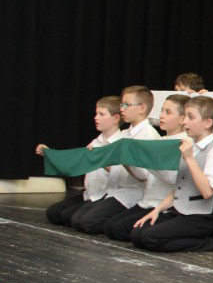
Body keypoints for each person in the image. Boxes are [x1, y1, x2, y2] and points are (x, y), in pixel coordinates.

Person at [130, 96, 213, 252]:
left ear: (207, 122)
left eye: (191, 117)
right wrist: (157, 210)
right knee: (136, 234)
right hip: (180, 211)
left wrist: (189, 159)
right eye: (184, 117)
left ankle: (211, 241)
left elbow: (207, 192)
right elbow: (179, 188)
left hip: (202, 217)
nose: (184, 122)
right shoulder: (191, 147)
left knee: (150, 238)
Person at [71, 86, 160, 234]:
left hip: (132, 193)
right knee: (77, 220)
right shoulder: (124, 134)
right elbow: (116, 169)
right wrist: (99, 159)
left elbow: (146, 175)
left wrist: (125, 160)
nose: (122, 108)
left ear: (142, 108)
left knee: (90, 223)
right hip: (114, 191)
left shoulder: (149, 136)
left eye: (126, 105)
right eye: (122, 105)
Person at [103, 94, 189, 241]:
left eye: (168, 112)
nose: (161, 115)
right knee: (110, 227)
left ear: (182, 119)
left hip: (164, 205)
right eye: (161, 111)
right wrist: (126, 159)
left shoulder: (184, 143)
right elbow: (144, 176)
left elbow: (172, 179)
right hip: (147, 201)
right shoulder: (161, 140)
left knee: (122, 230)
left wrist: (147, 160)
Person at [38, 96, 123, 227]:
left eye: (101, 114)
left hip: (105, 195)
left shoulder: (120, 143)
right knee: (54, 213)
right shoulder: (96, 142)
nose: (96, 118)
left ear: (116, 118)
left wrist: (101, 160)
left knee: (74, 218)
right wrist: (50, 154)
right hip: (90, 194)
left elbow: (122, 174)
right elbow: (75, 162)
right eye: (96, 113)